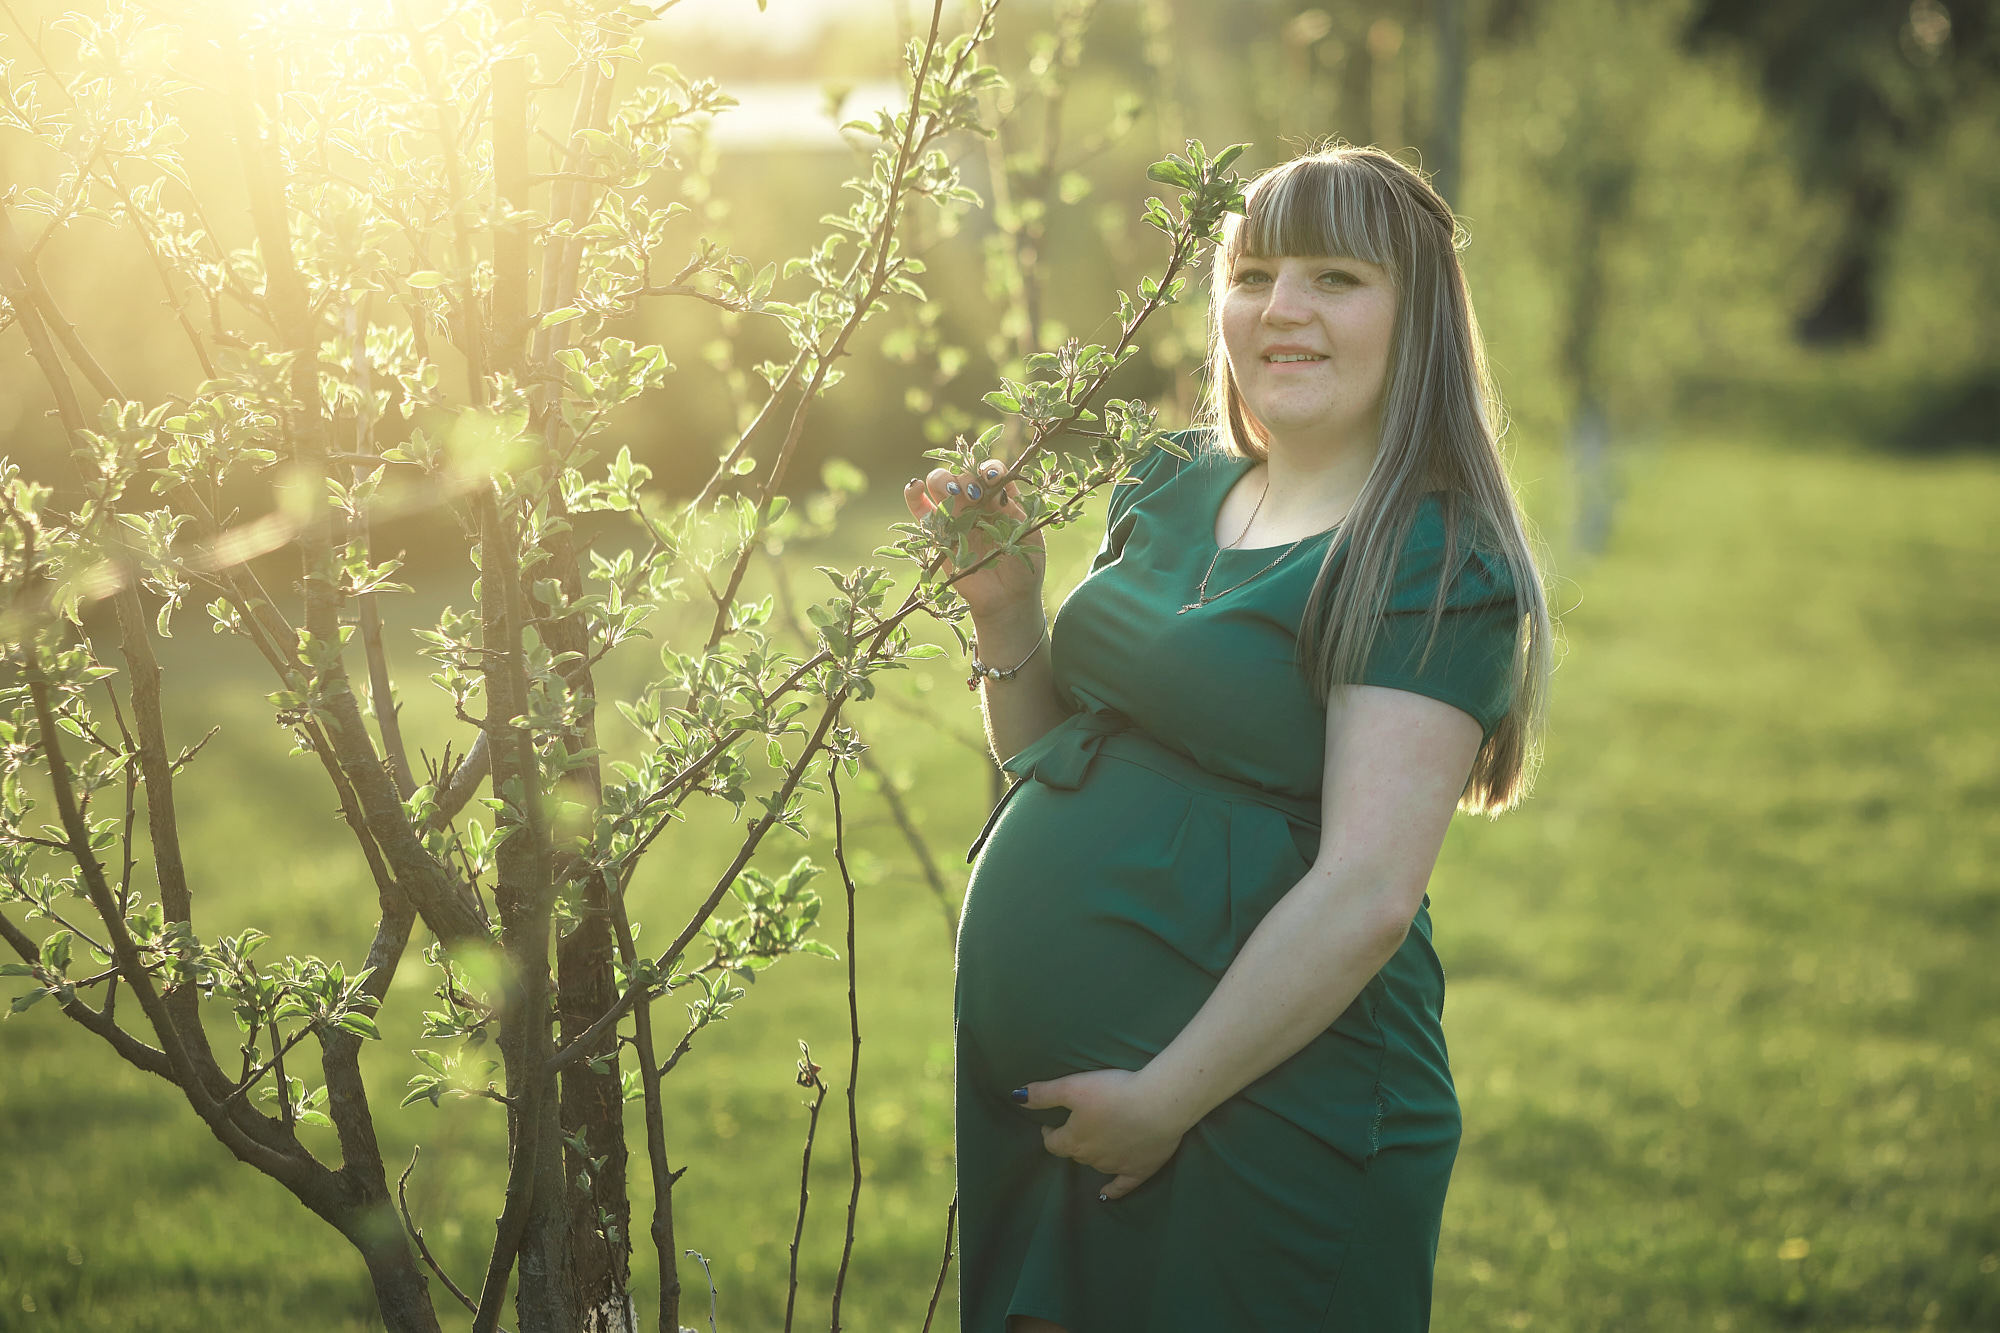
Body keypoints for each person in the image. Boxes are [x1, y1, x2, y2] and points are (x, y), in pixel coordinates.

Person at [901, 144, 1556, 1333]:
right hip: (1068, 1111)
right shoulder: (1164, 484)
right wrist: (1003, 612)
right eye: (1253, 273)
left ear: (1416, 321)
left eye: (1334, 278)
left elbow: (1364, 890)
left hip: (1259, 1105)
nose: (1282, 309)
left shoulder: (1428, 558)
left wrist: (1164, 1098)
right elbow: (1057, 759)